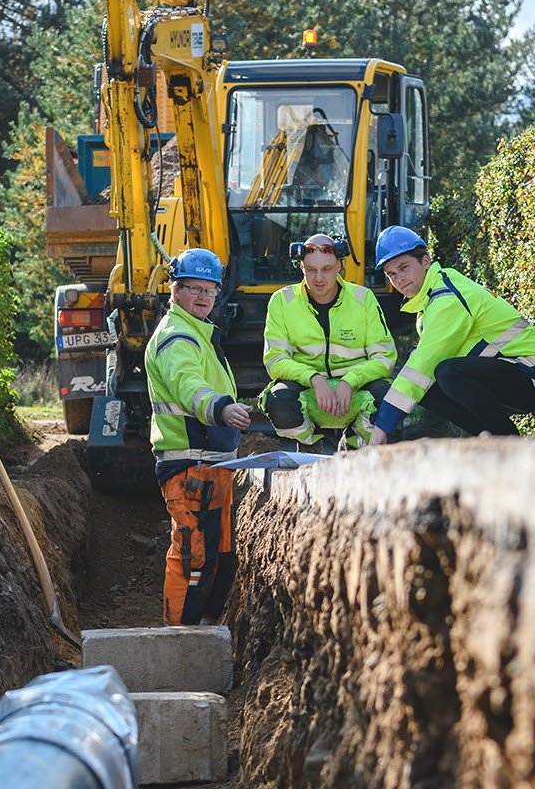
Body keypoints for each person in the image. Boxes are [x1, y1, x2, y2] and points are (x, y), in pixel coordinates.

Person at [365, 226, 535, 445]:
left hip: (532, 375)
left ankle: (509, 442)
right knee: (426, 383)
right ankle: (488, 439)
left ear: (425, 262)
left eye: (404, 267)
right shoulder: (430, 301)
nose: (399, 279)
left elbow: (424, 364)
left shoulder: (447, 297)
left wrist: (382, 428)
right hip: (509, 373)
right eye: (392, 274)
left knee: (445, 372)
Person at [147, 248, 254, 626]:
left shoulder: (200, 334)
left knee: (220, 558)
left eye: (209, 290)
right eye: (193, 289)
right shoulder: (178, 337)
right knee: (193, 557)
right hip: (190, 468)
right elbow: (188, 386)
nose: (203, 297)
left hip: (213, 469)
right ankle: (177, 640)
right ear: (174, 291)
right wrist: (222, 409)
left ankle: (204, 631)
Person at [261, 233, 395, 451]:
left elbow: (385, 357)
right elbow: (275, 360)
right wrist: (313, 378)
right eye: (311, 270)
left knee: (390, 402)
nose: (319, 278)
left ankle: (353, 444)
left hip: (355, 387)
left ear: (340, 266)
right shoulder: (282, 301)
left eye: (327, 269)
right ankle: (310, 445)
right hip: (308, 387)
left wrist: (351, 380)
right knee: (279, 402)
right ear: (301, 268)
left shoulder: (363, 298)